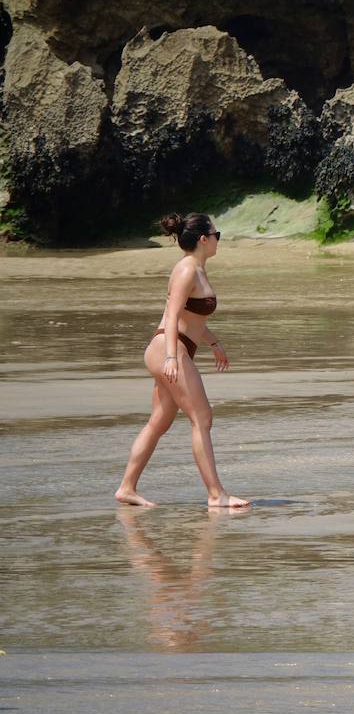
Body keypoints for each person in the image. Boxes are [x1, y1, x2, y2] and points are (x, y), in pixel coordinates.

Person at [115, 213, 249, 508]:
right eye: (217, 234)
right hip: (168, 348)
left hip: (173, 348)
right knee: (202, 418)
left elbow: (194, 316)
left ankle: (126, 488)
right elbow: (173, 315)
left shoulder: (198, 270)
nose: (218, 240)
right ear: (204, 239)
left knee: (158, 423)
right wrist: (173, 357)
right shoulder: (187, 269)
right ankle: (217, 495)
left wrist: (213, 342)